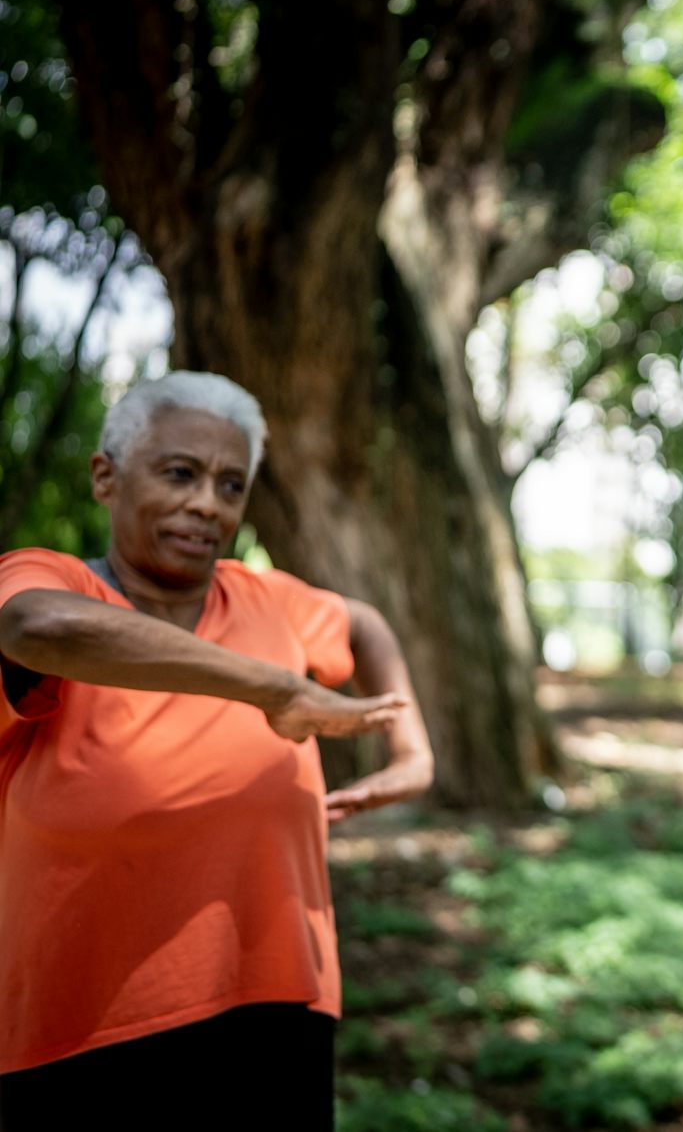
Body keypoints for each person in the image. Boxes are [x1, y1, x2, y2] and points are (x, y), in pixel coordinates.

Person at [0, 371, 435, 1129]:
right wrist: (276, 689)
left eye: (231, 485)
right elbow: (35, 628)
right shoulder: (54, 580)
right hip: (83, 1029)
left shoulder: (264, 597)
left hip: (278, 1004)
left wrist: (413, 749)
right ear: (106, 475)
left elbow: (362, 622)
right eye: (180, 473)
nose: (208, 503)